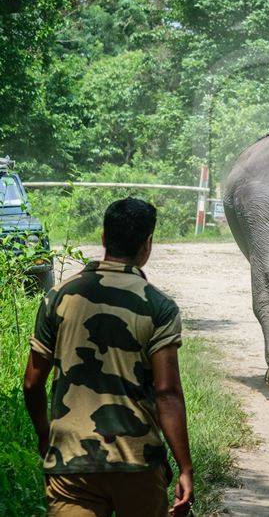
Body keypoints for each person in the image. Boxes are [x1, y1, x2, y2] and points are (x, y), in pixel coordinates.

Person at [22, 198, 194, 517]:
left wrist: (46, 435)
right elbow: (167, 393)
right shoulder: (158, 306)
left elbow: (32, 383)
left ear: (103, 238)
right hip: (136, 463)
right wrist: (185, 467)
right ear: (148, 245)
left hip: (71, 464)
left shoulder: (58, 297)